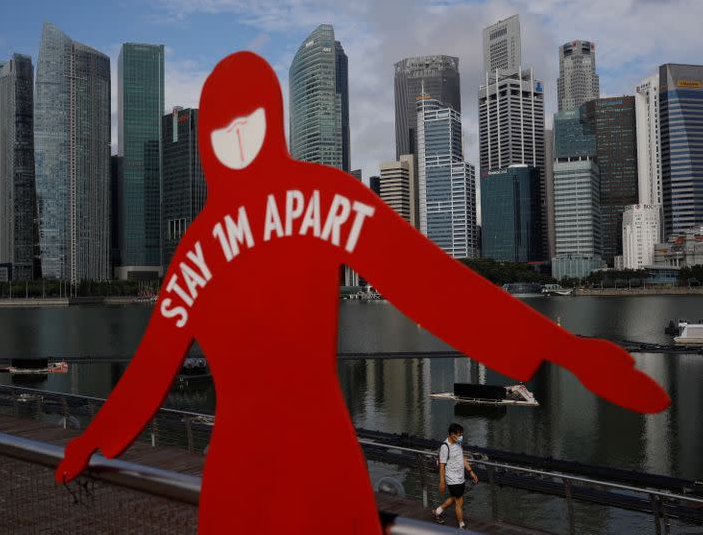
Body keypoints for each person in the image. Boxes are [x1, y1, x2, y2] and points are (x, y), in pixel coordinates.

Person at [55, 51, 668, 534]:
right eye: (224, 130)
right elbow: (148, 370)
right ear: (206, 141)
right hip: (244, 483)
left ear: (274, 123)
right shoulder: (212, 244)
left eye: (252, 123)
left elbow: (436, 288)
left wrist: (568, 351)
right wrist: (89, 441)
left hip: (314, 471)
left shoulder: (305, 206)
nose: (239, 140)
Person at [433, 423, 478, 530]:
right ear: (452, 434)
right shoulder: (445, 447)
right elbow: (442, 465)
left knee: (455, 498)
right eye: (459, 435)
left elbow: (462, 458)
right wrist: (442, 481)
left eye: (461, 434)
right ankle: (461, 525)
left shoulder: (458, 444)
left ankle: (437, 511)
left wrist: (471, 472)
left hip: (460, 476)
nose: (461, 437)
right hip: (452, 478)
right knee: (459, 500)